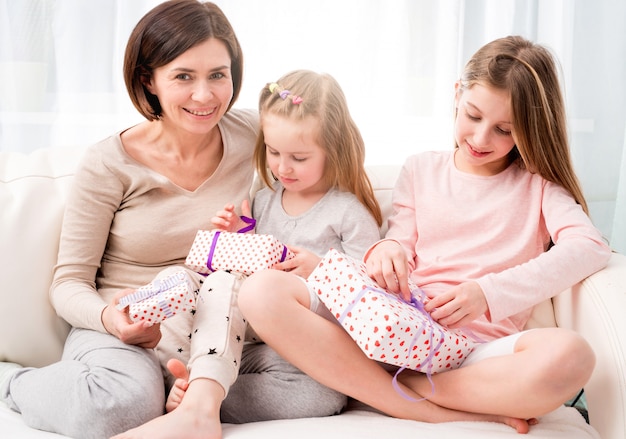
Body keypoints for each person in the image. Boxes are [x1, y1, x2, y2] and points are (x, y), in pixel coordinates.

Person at [236, 35, 612, 434]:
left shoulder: (539, 188)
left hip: (476, 353)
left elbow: (589, 247)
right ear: (457, 95)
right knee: (261, 291)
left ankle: (403, 390)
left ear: (530, 130)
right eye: (473, 115)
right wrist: (387, 249)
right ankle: (425, 407)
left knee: (572, 357)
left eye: (504, 129)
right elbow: (400, 239)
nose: (481, 138)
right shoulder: (420, 169)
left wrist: (487, 292)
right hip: (397, 324)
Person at [0, 1, 259, 439]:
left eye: (218, 74)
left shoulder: (254, 135)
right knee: (116, 409)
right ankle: (13, 382)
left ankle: (183, 397)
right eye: (183, 77)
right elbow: (68, 283)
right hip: (128, 329)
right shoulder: (108, 163)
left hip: (221, 328)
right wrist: (114, 321)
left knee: (311, 394)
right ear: (148, 80)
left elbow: (327, 154)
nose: (205, 95)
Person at [166, 69, 384, 422]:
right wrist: (239, 236)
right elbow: (246, 277)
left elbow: (370, 300)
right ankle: (196, 389)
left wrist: (321, 270)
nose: (283, 167)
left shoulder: (348, 213)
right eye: (273, 152)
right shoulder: (264, 200)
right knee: (202, 292)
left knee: (322, 394)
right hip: (247, 340)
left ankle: (199, 400)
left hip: (306, 348)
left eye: (299, 158)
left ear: (334, 149)